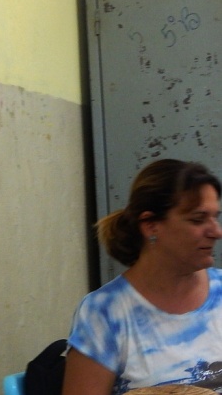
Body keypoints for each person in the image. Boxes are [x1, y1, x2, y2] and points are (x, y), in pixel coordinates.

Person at [62, 159, 222, 395]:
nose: (216, 232)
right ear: (151, 225)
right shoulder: (105, 313)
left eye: (215, 217)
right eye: (197, 219)